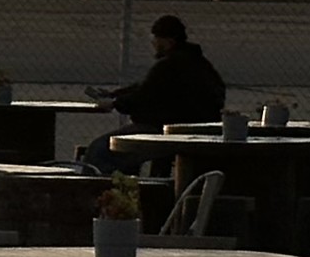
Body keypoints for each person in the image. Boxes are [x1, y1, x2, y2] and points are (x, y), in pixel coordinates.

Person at [75, 15, 227, 169]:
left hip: (163, 130)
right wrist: (115, 95)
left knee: (100, 149)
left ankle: (105, 188)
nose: (154, 43)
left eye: (157, 38)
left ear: (169, 41)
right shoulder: (199, 64)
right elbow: (147, 88)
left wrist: (114, 103)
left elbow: (143, 96)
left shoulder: (169, 65)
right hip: (192, 131)